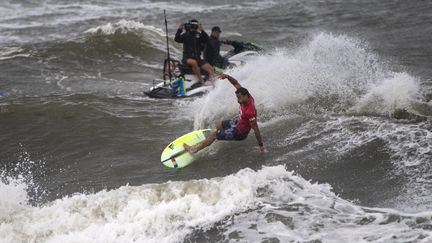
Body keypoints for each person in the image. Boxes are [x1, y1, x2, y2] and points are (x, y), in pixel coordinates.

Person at [183, 74, 264, 154]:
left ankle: (195, 150)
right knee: (218, 124)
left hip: (239, 133)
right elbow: (235, 83)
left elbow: (256, 130)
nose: (238, 100)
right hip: (238, 123)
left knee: (214, 134)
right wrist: (227, 77)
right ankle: (212, 139)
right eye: (237, 97)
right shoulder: (247, 96)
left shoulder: (250, 112)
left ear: (245, 96)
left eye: (239, 98)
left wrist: (261, 146)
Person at [174, 19, 214, 84]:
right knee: (194, 62)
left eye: (195, 26)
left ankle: (211, 82)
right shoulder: (186, 35)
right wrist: (179, 29)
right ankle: (201, 81)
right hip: (187, 58)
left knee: (211, 69)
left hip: (198, 58)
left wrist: (202, 30)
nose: (193, 28)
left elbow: (207, 40)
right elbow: (176, 39)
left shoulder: (198, 35)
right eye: (192, 26)